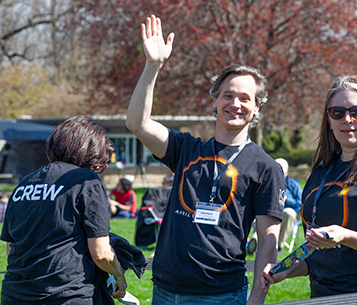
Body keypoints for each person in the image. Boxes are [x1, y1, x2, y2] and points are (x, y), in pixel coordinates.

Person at [126, 15, 286, 305]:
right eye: (227, 96)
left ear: (257, 107)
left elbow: (268, 243)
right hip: (165, 290)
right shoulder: (186, 149)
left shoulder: (266, 168)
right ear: (215, 101)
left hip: (221, 295)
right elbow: (137, 123)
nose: (235, 104)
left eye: (244, 98)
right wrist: (153, 66)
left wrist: (257, 300)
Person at [261, 75, 357, 298]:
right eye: (337, 112)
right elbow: (320, 257)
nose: (347, 119)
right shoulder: (321, 171)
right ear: (329, 120)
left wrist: (347, 236)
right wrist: (285, 272)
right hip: (323, 297)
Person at [1, 116, 128, 303]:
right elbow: (101, 254)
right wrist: (119, 275)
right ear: (91, 151)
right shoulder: (86, 180)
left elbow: (11, 247)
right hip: (65, 294)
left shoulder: (25, 183)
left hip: (15, 293)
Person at [135, 174, 174, 247]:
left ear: (170, 184)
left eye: (163, 183)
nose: (162, 185)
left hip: (159, 217)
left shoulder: (160, 192)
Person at [275, 158, 302, 253]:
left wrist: (287, 200)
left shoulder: (293, 185)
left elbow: (301, 202)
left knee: (289, 213)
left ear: (287, 172)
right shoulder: (268, 184)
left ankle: (278, 246)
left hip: (286, 212)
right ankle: (255, 243)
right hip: (270, 212)